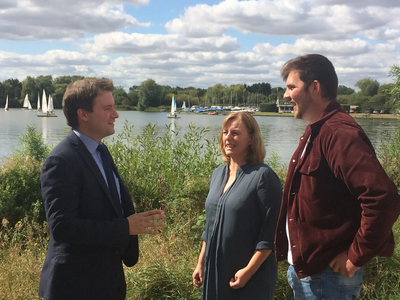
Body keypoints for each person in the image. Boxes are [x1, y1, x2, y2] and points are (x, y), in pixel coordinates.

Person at [275, 54, 400, 299]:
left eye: (291, 87)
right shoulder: (317, 130)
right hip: (313, 275)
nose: (285, 95)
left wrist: (355, 256)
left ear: (314, 87)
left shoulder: (338, 133)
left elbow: (382, 199)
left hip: (327, 279)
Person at [38, 78, 166, 300]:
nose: (116, 114)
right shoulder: (61, 161)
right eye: (107, 108)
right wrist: (124, 227)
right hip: (74, 286)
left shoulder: (101, 152)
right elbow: (62, 227)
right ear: (83, 114)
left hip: (106, 282)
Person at [192, 112, 282, 300]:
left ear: (251, 138)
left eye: (235, 133)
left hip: (247, 277)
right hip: (214, 272)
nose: (228, 138)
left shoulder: (263, 177)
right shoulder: (217, 174)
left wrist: (248, 271)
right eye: (225, 132)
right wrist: (201, 263)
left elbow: (271, 233)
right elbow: (210, 226)